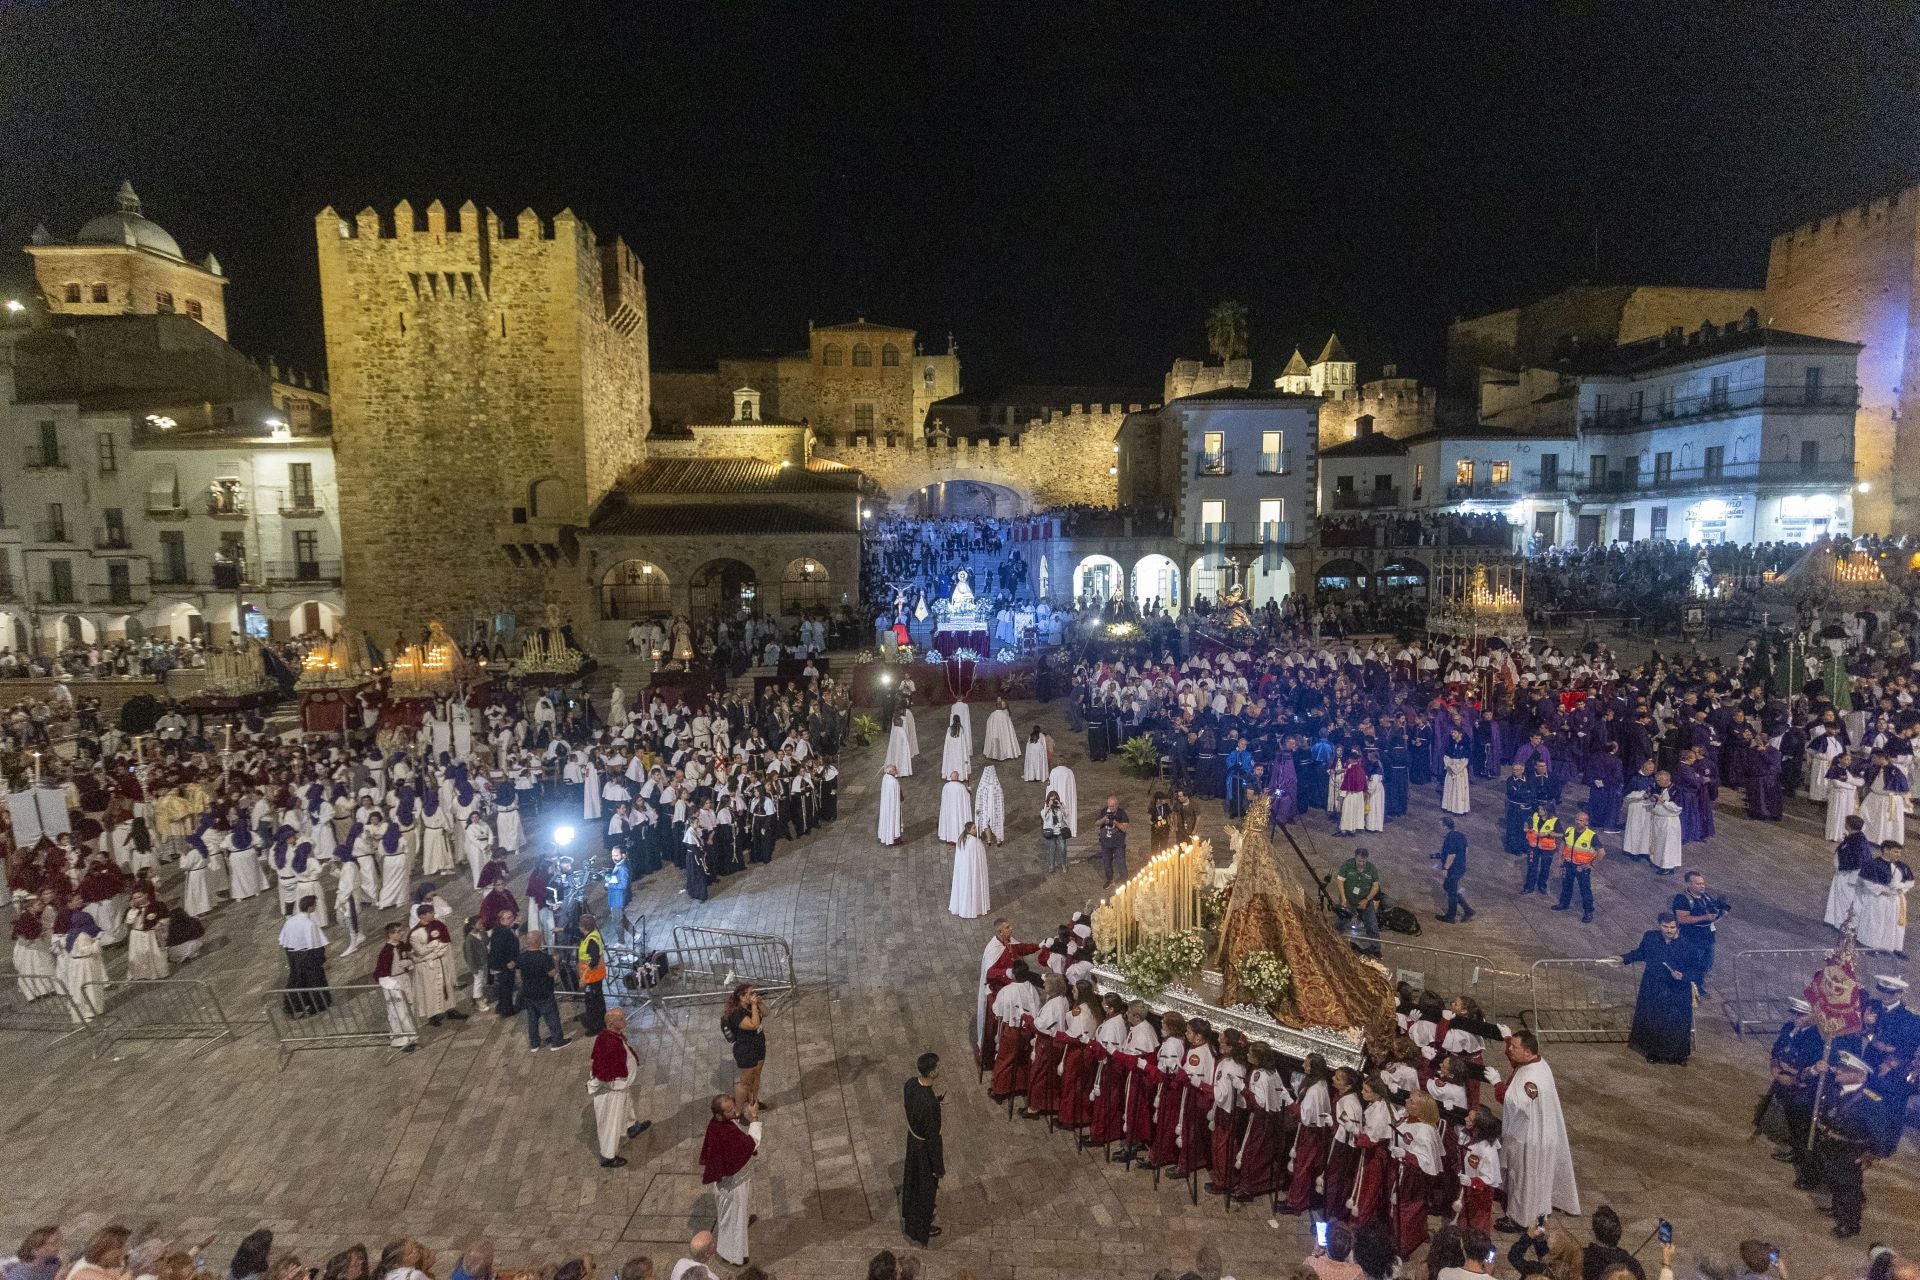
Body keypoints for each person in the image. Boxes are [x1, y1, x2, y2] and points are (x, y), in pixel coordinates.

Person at [1495, 1029, 1579, 1231]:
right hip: (1542, 1134)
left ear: (1527, 1051)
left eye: (1514, 1047)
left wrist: (1497, 1084)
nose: (1509, 1050)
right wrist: (1507, 1038)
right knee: (1537, 1177)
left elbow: (1515, 1102)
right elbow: (1516, 1062)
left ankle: (1519, 1219)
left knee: (1523, 1178)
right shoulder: (1537, 1064)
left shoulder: (1531, 1079)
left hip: (1528, 1139)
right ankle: (1538, 1208)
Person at [1607, 912, 1698, 1065]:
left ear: (1678, 927)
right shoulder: (1650, 938)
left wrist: (1683, 976)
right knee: (1655, 1020)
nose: (1669, 930)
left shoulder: (1687, 946)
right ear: (1659, 925)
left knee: (1676, 1023)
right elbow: (1641, 953)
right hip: (1654, 986)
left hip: (1677, 990)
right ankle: (1654, 1052)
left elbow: (1697, 970)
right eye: (1665, 926)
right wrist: (1623, 958)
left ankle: (1678, 1056)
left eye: (1672, 927)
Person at [1813, 1050, 1886, 1238]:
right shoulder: (1835, 1087)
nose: (1838, 1071)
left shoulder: (1871, 1101)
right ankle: (1837, 1210)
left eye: (1844, 1069)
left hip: (1851, 1149)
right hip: (1831, 1143)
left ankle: (1850, 1223)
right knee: (1834, 1180)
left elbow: (1879, 1132)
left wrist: (1872, 1154)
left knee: (1849, 1187)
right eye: (1839, 1067)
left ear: (1860, 1075)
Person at [699, 1094, 762, 1267]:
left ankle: (743, 1222)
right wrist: (755, 1117)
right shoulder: (724, 1132)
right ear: (718, 1115)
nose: (734, 1111)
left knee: (738, 1215)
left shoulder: (720, 1124)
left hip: (737, 1178)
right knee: (732, 1219)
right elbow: (752, 1143)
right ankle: (731, 1255)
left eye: (733, 1107)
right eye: (729, 1110)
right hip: (733, 1185)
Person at [589, 1007, 652, 1167]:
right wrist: (592, 1086)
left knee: (627, 1106)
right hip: (612, 1090)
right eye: (621, 1019)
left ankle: (631, 1127)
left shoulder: (609, 1036)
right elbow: (601, 1071)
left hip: (620, 1086)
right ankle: (608, 1156)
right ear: (611, 1023)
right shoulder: (608, 1042)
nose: (625, 1021)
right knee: (611, 1122)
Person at [902, 1051, 944, 1245]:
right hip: (924, 1150)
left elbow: (911, 1104)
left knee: (913, 1182)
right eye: (937, 1066)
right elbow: (933, 1139)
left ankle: (911, 1215)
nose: (940, 1069)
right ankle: (921, 1227)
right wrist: (938, 1168)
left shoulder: (910, 1084)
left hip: (913, 1139)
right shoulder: (930, 1105)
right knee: (926, 1189)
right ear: (931, 1071)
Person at [1670, 871, 1726, 990]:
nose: (1702, 886)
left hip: (1707, 938)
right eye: (1698, 884)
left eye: (1703, 883)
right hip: (1691, 939)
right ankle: (1686, 988)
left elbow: (1712, 919)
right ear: (1689, 884)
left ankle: (1697, 986)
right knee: (1690, 965)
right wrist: (1705, 917)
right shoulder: (1682, 899)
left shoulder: (1706, 897)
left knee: (1706, 965)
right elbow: (1681, 919)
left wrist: (1721, 914)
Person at [278, 895, 331, 1017]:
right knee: (314, 979)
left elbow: (283, 940)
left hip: (292, 954)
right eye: (314, 905)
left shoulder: (290, 920)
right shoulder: (309, 924)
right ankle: (318, 1004)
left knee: (296, 979)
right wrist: (321, 959)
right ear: (310, 908)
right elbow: (315, 944)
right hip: (306, 955)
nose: (315, 907)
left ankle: (293, 1006)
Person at [372, 921, 421, 1052]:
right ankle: (401, 1040)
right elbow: (380, 974)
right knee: (399, 1011)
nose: (402, 933)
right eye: (399, 932)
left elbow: (409, 958)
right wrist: (394, 986)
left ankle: (412, 1036)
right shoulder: (386, 952)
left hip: (404, 979)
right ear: (391, 934)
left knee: (410, 1007)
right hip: (394, 983)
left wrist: (409, 962)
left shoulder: (401, 945)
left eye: (401, 931)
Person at [1550, 810, 1603, 924]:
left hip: (1581, 867)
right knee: (1566, 885)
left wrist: (1591, 864)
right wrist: (1560, 858)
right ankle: (1564, 903)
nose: (1578, 822)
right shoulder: (1570, 830)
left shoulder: (1591, 836)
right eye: (1577, 819)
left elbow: (1602, 852)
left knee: (1585, 890)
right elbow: (1563, 843)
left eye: (1581, 820)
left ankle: (1588, 911)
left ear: (1586, 823)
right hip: (1568, 864)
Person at [518, 930, 568, 1051]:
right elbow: (553, 974)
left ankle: (534, 1043)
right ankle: (557, 1041)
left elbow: (519, 974)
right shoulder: (544, 958)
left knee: (532, 1019)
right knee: (552, 1017)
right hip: (544, 992)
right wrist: (556, 961)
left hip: (529, 993)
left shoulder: (521, 957)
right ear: (538, 941)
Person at [724, 983, 769, 1111]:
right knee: (744, 1082)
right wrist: (754, 1005)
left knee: (756, 1075)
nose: (753, 995)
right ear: (741, 997)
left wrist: (758, 1003)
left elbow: (765, 1013)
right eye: (750, 993)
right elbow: (754, 1025)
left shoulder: (751, 1006)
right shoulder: (736, 1013)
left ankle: (753, 1102)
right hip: (745, 1050)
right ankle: (738, 1111)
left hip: (759, 1045)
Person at [1338, 847, 1382, 956]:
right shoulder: (1347, 865)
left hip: (1365, 902)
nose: (1361, 863)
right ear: (1355, 858)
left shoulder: (1371, 869)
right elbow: (1340, 881)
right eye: (1359, 860)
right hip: (1349, 900)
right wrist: (1343, 898)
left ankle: (1375, 948)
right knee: (1341, 922)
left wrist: (1366, 900)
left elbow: (1375, 887)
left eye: (1363, 861)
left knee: (1372, 925)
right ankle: (1335, 941)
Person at [948, 821, 991, 919]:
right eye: (974, 828)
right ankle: (973, 908)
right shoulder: (974, 842)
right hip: (972, 871)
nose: (976, 830)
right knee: (972, 887)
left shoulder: (961, 839)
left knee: (964, 888)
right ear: (969, 830)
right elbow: (980, 856)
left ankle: (963, 907)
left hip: (963, 871)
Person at [1436, 817, 1472, 923]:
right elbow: (1466, 850)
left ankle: (1451, 917)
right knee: (1448, 887)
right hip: (1461, 867)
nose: (1440, 828)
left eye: (1441, 825)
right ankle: (1468, 910)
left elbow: (1451, 855)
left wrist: (1445, 868)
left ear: (1445, 827)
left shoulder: (1449, 838)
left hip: (1453, 869)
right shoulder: (1461, 835)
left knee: (1451, 892)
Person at [577, 912, 608, 1033]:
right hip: (595, 976)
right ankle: (601, 1022)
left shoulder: (591, 941)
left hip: (592, 977)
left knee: (593, 1002)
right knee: (597, 1000)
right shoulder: (593, 934)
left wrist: (583, 977)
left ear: (583, 928)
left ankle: (597, 1026)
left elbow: (594, 960)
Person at [487, 905, 521, 1016]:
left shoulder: (503, 929)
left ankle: (501, 1006)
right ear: (502, 920)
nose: (512, 918)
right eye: (509, 917)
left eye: (512, 916)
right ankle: (507, 1010)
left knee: (504, 987)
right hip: (505, 965)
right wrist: (509, 962)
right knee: (507, 987)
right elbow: (499, 950)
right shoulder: (501, 932)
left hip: (505, 964)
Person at [1095, 794, 1129, 887]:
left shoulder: (1122, 813)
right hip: (1105, 843)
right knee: (1106, 864)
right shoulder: (1104, 811)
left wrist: (1115, 822)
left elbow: (1124, 828)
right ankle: (1110, 880)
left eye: (1113, 806)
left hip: (1118, 844)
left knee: (1121, 863)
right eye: (1109, 806)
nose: (1111, 807)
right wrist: (1104, 818)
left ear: (1117, 805)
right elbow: (1097, 823)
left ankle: (1124, 881)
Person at [1041, 789, 1070, 873]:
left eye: (1054, 799)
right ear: (1048, 800)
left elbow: (1066, 815)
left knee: (1062, 848)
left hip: (1060, 831)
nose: (1053, 801)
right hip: (1051, 832)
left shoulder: (1061, 805)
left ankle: (1063, 864)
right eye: (1051, 799)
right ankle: (1051, 865)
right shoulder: (1046, 807)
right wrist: (1049, 806)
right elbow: (1043, 816)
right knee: (1052, 848)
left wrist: (1060, 806)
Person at [937, 773, 971, 844]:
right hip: (958, 811)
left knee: (949, 823)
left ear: (950, 777)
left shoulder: (946, 786)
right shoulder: (961, 787)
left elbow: (943, 799)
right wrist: (969, 791)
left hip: (948, 810)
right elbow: (966, 798)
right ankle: (957, 837)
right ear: (958, 777)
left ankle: (949, 838)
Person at [878, 765, 904, 846]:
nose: (896, 770)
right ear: (890, 771)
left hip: (886, 804)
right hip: (893, 805)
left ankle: (887, 835)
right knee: (894, 819)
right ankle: (895, 838)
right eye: (894, 769)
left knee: (887, 819)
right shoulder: (893, 781)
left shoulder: (885, 777)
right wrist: (901, 798)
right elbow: (898, 793)